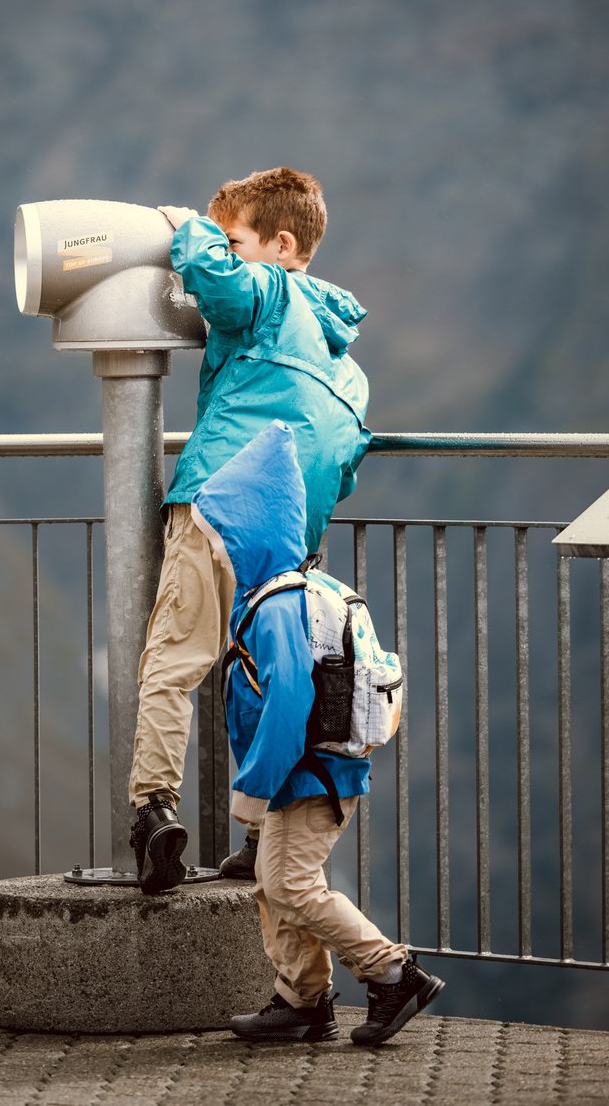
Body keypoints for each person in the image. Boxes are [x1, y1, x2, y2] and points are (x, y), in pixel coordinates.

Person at [128, 167, 371, 895]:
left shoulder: (271, 292)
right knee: (264, 674)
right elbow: (345, 459)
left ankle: (153, 811)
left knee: (175, 658)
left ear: (283, 245)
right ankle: (260, 830)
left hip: (220, 502)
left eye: (239, 240)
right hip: (290, 535)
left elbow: (216, 278)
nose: (227, 252)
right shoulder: (345, 358)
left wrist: (184, 226)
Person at [191, 419, 445, 1045]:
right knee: (275, 883)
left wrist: (254, 787)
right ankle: (301, 1000)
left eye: (221, 537)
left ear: (250, 532)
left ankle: (392, 972)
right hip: (319, 772)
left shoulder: (275, 608)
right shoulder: (304, 589)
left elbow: (287, 704)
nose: (217, 550)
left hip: (308, 777)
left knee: (290, 885)